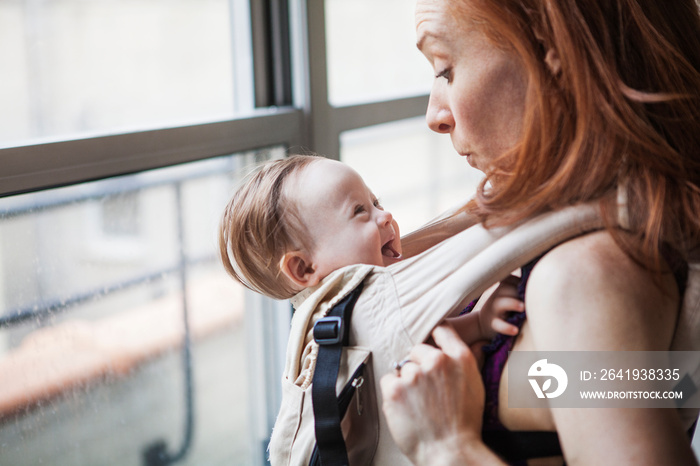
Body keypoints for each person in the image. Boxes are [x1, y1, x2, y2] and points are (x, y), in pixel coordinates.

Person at [380, 0, 700, 465]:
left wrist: (448, 446)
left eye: (446, 69)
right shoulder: (603, 230)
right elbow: (667, 386)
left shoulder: (584, 278)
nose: (436, 115)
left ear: (553, 53)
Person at [219, 154, 524, 351]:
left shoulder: (371, 283)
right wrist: (479, 323)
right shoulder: (347, 313)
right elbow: (409, 341)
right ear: (304, 269)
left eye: (377, 203)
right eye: (360, 211)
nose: (385, 215)